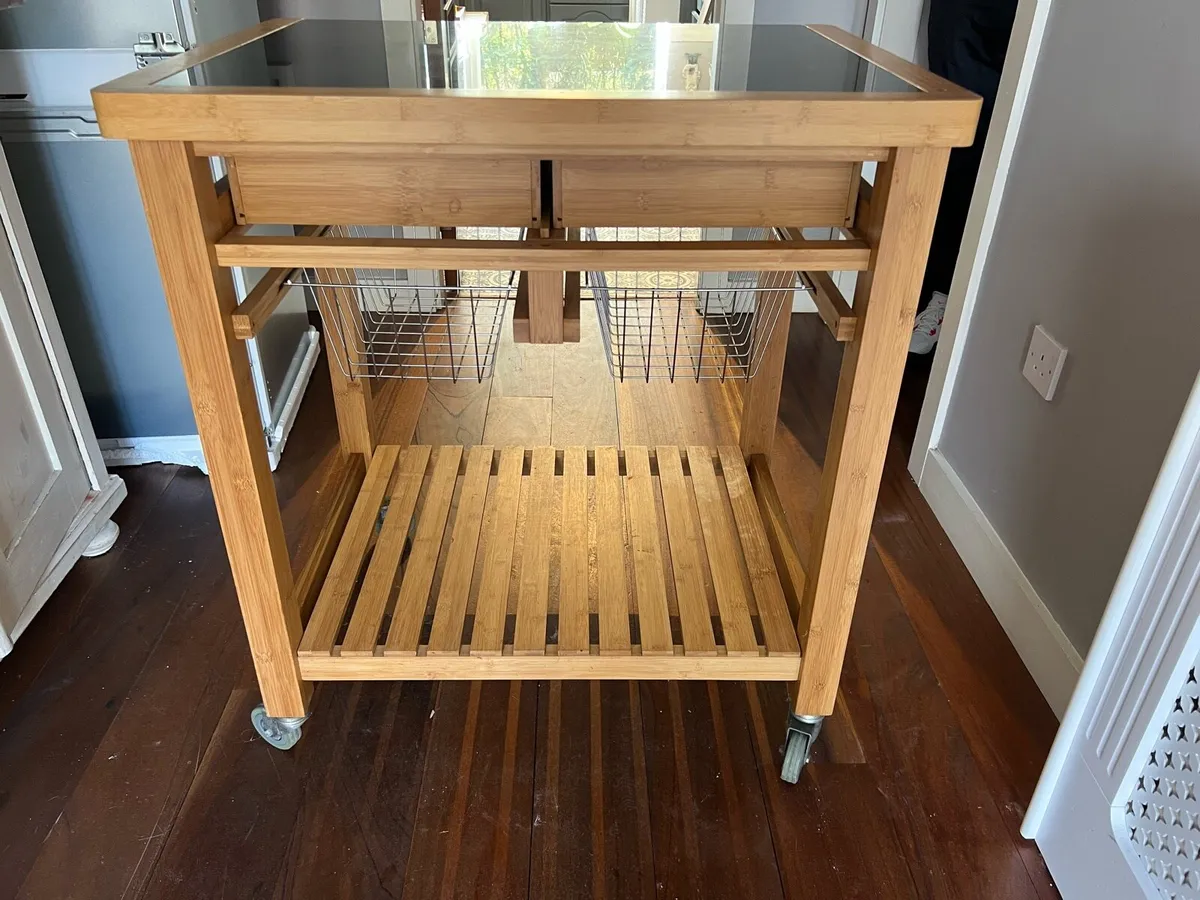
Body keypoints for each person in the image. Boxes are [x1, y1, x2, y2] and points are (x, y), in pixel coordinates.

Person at [910, 0, 1019, 354]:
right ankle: (932, 295)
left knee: (1012, 149)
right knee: (957, 144)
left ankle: (959, 301)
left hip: (1031, 13)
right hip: (964, 11)